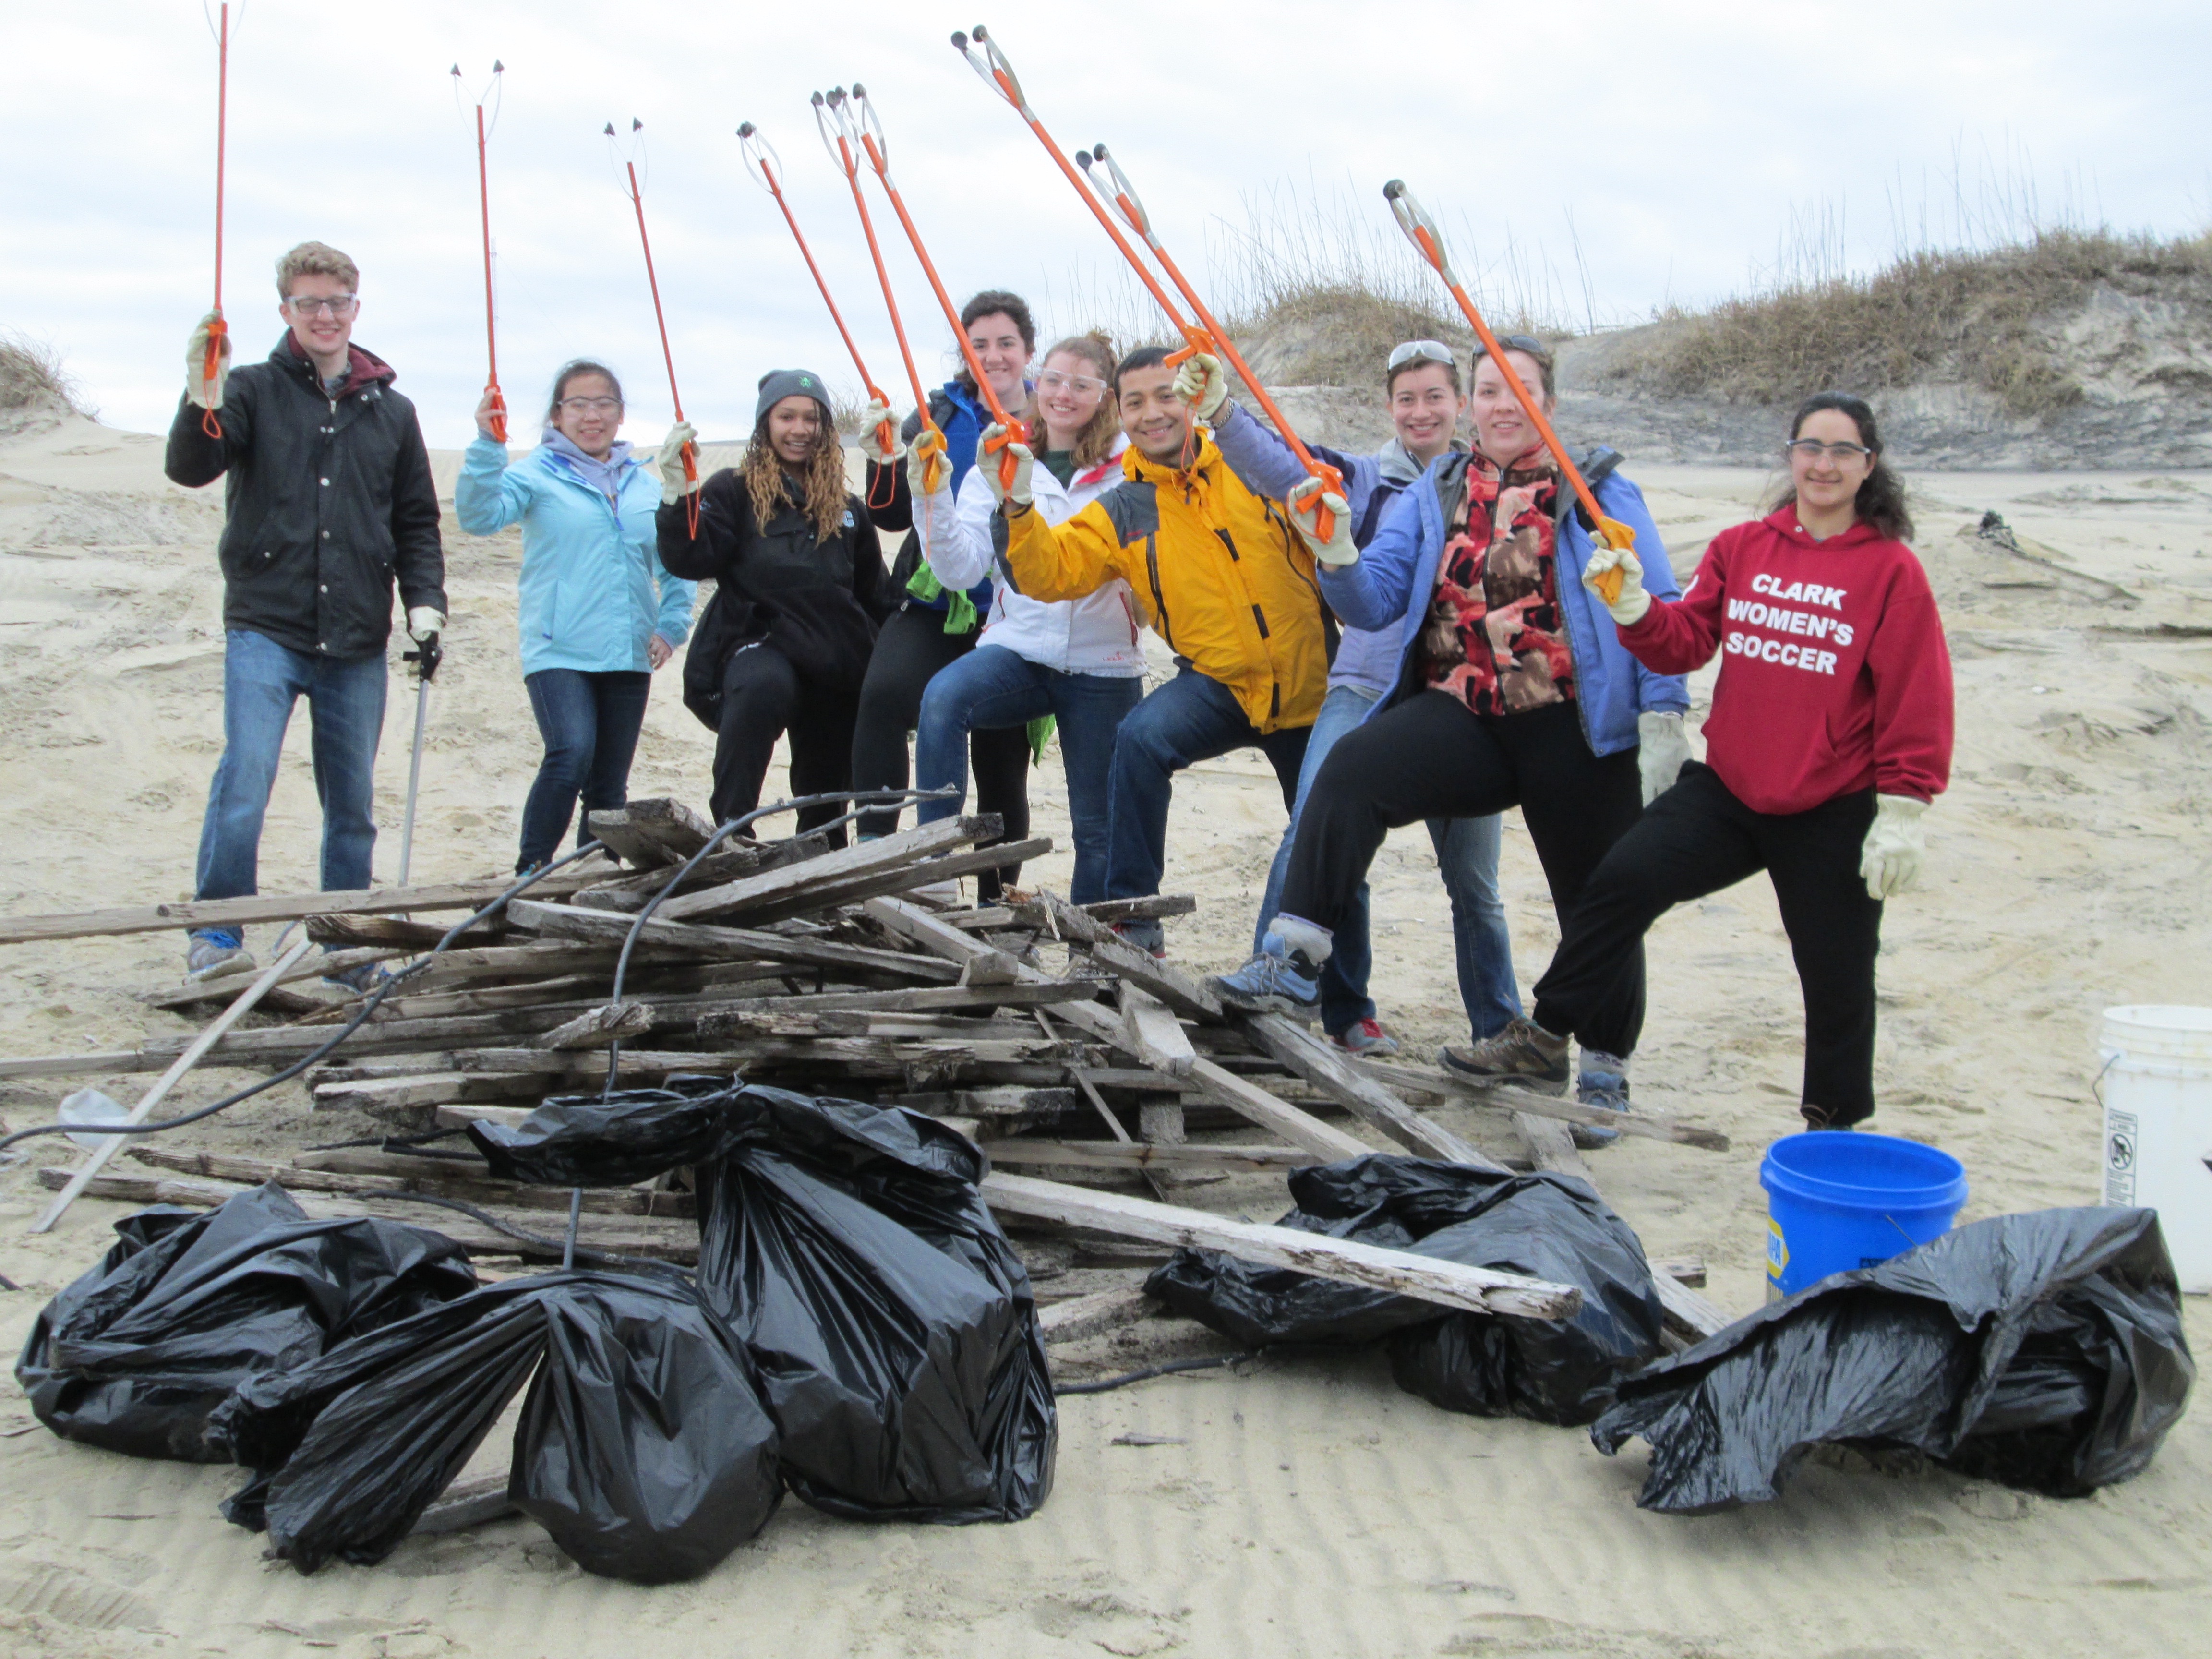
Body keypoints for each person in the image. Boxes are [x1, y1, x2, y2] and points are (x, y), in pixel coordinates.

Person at [1215, 337, 1690, 1144]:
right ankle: (1296, 960)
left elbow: (1659, 605)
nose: (1504, 404)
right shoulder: (1437, 487)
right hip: (1466, 710)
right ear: (1470, 406)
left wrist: (1664, 716)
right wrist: (1334, 552)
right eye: (1489, 391)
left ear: (1548, 401)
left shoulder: (1597, 488)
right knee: (1350, 769)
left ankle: (1602, 1068)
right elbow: (1373, 600)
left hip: (1567, 718)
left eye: (1522, 389)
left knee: (1595, 895)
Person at [1447, 392, 1953, 1132]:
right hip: (1732, 792)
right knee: (1619, 883)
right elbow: (1685, 641)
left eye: (1844, 452)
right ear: (1791, 456)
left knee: (1838, 979)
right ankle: (1547, 1037)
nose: (1824, 464)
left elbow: (1918, 693)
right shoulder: (1745, 547)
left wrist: (1905, 808)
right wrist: (1634, 610)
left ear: (1869, 466)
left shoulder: (1891, 572)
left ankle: (1833, 1131)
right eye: (1811, 447)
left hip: (1832, 805)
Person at [1178, 339, 1519, 1056]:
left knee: (1474, 884)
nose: (1420, 411)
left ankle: (1498, 1029)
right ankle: (1315, 992)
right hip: (1364, 686)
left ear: (1460, 404)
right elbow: (1284, 464)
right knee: (1320, 827)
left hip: (1458, 700)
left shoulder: (1491, 488)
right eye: (1406, 399)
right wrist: (1222, 413)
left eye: (1434, 396)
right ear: (1389, 408)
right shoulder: (1367, 482)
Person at [981, 345, 1330, 953]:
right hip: (1217, 683)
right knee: (1140, 740)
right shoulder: (1127, 505)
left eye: (1166, 395)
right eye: (1135, 402)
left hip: (1312, 688)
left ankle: (1348, 1004)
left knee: (1328, 833)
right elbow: (1048, 571)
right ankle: (1135, 926)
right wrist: (1016, 504)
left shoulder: (1255, 469)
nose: (1152, 414)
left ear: (1193, 398)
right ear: (1119, 412)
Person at [165, 240, 446, 981]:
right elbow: (191, 469)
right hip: (266, 623)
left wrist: (426, 603)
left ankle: (345, 942)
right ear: (285, 309)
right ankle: (217, 934)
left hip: (357, 635)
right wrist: (201, 397)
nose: (325, 316)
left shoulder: (394, 410)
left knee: (350, 801)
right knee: (247, 776)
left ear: (356, 307)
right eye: (309, 303)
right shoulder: (250, 388)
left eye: (337, 303)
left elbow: (416, 519)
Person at [906, 335, 1141, 903]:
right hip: (1020, 649)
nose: (1063, 395)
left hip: (1104, 663)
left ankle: (1096, 951)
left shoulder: (1131, 467)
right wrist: (929, 499)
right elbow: (962, 571)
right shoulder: (1003, 458)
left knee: (1098, 829)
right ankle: (933, 868)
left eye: (1082, 385)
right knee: (943, 697)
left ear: (1105, 396)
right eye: (1054, 380)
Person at [456, 360, 695, 873]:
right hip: (557, 646)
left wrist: (671, 627)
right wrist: (486, 446)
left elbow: (677, 564)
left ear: (621, 414)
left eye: (604, 404)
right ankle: (532, 868)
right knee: (570, 753)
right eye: (578, 405)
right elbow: (477, 517)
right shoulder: (533, 475)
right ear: (557, 415)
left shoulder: (645, 486)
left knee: (609, 784)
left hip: (629, 651)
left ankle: (597, 870)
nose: (592, 416)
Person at [848, 290, 1038, 896]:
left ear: (1028, 349)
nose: (993, 356)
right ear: (963, 352)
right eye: (979, 345)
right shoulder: (937, 415)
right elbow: (891, 514)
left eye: (1006, 343)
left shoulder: (1055, 415)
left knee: (1000, 763)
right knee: (882, 697)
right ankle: (876, 853)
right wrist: (883, 463)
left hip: (1011, 611)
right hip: (933, 594)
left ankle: (995, 897)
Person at [656, 370, 893, 840]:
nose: (800, 429)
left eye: (811, 418)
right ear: (766, 423)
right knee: (762, 686)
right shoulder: (732, 491)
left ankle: (823, 847)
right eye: (787, 416)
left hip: (833, 657)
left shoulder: (849, 509)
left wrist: (900, 674)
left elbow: (877, 598)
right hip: (760, 642)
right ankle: (731, 831)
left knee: (830, 744)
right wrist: (677, 494)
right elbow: (690, 557)